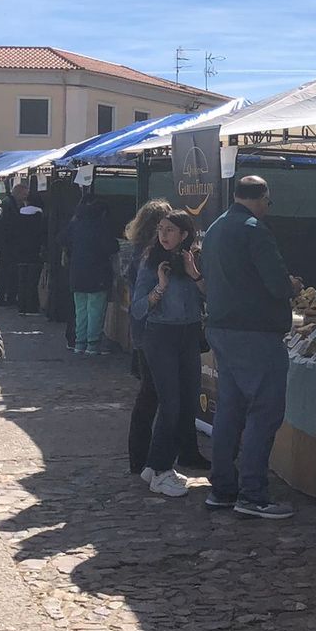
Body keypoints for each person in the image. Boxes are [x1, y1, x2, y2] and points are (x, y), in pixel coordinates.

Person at [203, 175, 298, 520]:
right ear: (262, 198)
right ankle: (253, 494)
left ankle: (222, 488)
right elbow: (276, 284)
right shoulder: (255, 230)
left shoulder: (215, 229)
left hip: (221, 329)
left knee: (229, 410)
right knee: (264, 411)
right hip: (255, 333)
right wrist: (291, 285)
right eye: (268, 202)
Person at [122, 201, 205, 476]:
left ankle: (171, 459)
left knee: (188, 400)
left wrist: (195, 275)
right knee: (166, 403)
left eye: (170, 230)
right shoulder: (150, 261)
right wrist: (160, 288)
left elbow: (211, 295)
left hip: (189, 334)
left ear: (184, 234)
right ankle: (156, 466)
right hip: (159, 335)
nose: (163, 235)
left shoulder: (194, 258)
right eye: (160, 229)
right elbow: (137, 308)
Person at [61, 191, 117, 355]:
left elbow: (62, 239)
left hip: (77, 273)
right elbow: (112, 247)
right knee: (95, 309)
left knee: (81, 310)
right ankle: (93, 344)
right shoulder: (101, 225)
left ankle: (79, 343)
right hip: (98, 274)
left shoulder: (76, 222)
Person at [8, 188, 47, 316]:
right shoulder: (40, 215)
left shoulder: (18, 215)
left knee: (22, 280)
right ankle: (32, 307)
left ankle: (22, 306)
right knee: (32, 281)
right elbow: (42, 235)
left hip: (20, 252)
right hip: (34, 252)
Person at [0, 181, 29, 306]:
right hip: (8, 244)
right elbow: (9, 224)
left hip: (9, 244)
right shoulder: (8, 204)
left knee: (9, 272)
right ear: (18, 193)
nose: (26, 197)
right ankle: (4, 297)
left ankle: (8, 297)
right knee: (7, 272)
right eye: (24, 194)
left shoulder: (10, 202)